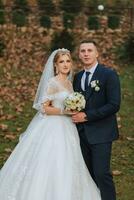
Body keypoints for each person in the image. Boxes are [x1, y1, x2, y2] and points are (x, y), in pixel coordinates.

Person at [0, 48, 101, 200]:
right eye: (61, 62)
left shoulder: (68, 83)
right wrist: (63, 111)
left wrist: (74, 108)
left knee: (69, 160)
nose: (65, 64)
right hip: (53, 127)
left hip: (68, 127)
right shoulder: (52, 82)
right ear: (55, 65)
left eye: (68, 61)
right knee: (51, 159)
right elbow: (42, 107)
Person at [72, 40, 121, 200]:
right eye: (83, 51)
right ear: (79, 55)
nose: (86, 53)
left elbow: (114, 104)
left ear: (97, 53)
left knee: (101, 173)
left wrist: (86, 116)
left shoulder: (109, 75)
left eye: (89, 50)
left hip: (102, 132)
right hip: (81, 134)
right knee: (88, 175)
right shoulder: (78, 77)